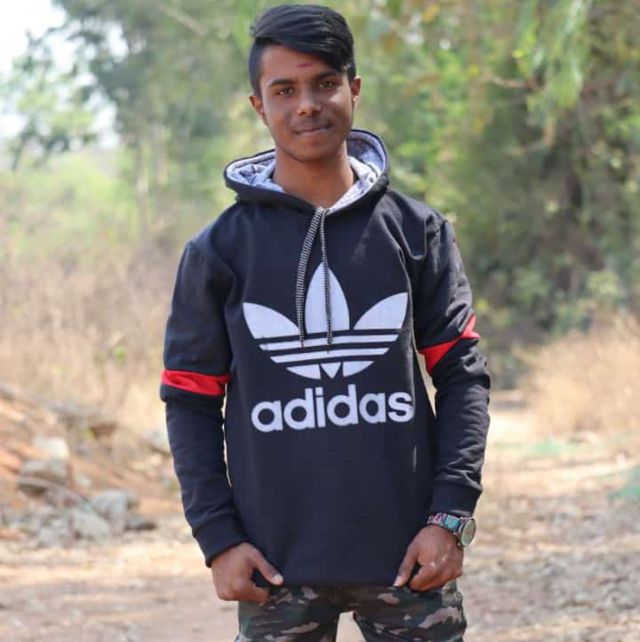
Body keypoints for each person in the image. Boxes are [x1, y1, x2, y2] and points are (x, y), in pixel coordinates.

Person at [159, 4, 490, 641]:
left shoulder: (417, 232)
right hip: (276, 567)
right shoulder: (219, 251)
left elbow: (462, 377)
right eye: (284, 90)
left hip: (409, 557)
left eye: (325, 83)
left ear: (354, 89)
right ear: (258, 106)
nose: (307, 105)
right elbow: (190, 400)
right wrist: (218, 538)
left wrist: (450, 518)